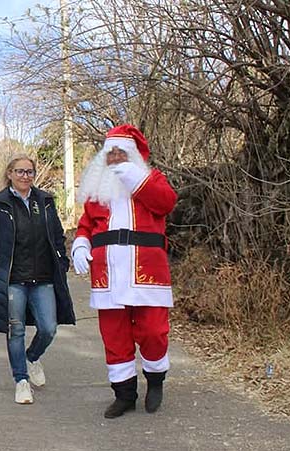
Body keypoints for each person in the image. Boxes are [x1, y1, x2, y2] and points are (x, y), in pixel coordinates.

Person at [71, 124, 177, 418]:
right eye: (110, 153)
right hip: (107, 275)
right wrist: (80, 245)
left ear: (133, 154)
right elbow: (86, 225)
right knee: (114, 336)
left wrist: (134, 178)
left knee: (153, 331)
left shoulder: (151, 179)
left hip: (147, 273)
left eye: (121, 152)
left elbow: (166, 202)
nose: (115, 157)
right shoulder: (98, 190)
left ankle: (155, 382)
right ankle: (124, 394)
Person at [0, 154, 75, 404]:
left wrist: (62, 262)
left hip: (43, 277)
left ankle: (32, 357)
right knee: (15, 329)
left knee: (48, 328)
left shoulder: (45, 201)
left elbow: (56, 234)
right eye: (19, 171)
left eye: (29, 172)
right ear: (9, 173)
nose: (25, 176)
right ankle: (21, 380)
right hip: (13, 279)